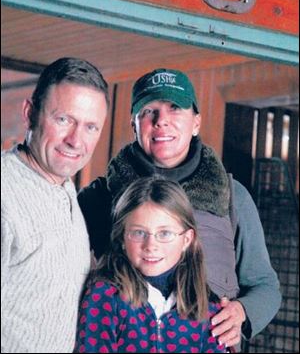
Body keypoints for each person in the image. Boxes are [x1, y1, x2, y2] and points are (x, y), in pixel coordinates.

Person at [78, 68, 281, 350]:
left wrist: (242, 312)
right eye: (149, 110)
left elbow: (265, 285)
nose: (162, 121)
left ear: (196, 122)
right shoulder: (98, 198)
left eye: (175, 108)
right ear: (133, 123)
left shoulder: (232, 198)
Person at [1, 57, 109, 353]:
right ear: (29, 113)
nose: (76, 140)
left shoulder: (64, 186)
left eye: (90, 127)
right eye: (63, 120)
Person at [74, 176, 226, 353]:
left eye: (165, 233)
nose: (151, 246)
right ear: (122, 238)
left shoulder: (207, 306)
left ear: (186, 240)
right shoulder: (104, 296)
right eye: (139, 232)